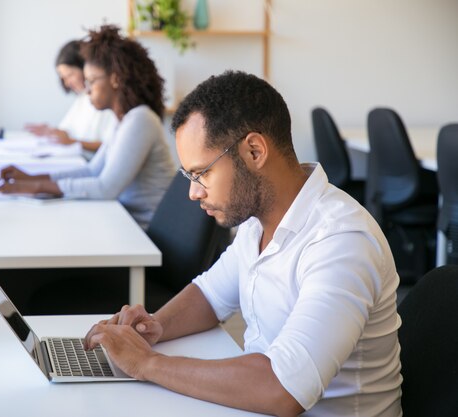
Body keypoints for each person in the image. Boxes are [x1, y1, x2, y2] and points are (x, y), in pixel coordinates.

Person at [83, 71, 402, 416]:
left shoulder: (342, 240)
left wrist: (147, 364)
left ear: (254, 150)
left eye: (202, 173)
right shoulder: (257, 221)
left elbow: (282, 389)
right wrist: (154, 328)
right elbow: (209, 295)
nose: (193, 192)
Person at [0, 26, 176, 230]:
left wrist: (36, 187)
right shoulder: (123, 121)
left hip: (147, 235)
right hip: (127, 224)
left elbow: (105, 188)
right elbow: (93, 171)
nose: (88, 90)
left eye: (92, 81)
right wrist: (33, 177)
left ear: (115, 79)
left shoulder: (141, 119)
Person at [25, 40, 117, 155]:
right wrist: (50, 131)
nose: (67, 83)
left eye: (69, 75)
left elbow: (110, 145)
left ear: (85, 67)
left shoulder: (104, 100)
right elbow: (67, 131)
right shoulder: (82, 98)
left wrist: (70, 141)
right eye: (63, 78)